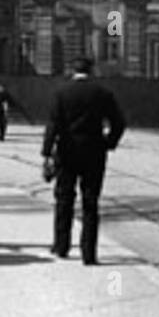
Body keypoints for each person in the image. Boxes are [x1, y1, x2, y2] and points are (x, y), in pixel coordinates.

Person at [42, 56, 125, 265]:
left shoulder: (61, 93)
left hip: (67, 151)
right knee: (91, 201)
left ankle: (61, 246)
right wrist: (109, 142)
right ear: (91, 70)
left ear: (73, 70)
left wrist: (46, 153)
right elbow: (119, 122)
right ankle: (89, 253)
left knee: (64, 198)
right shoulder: (102, 93)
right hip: (94, 152)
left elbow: (53, 125)